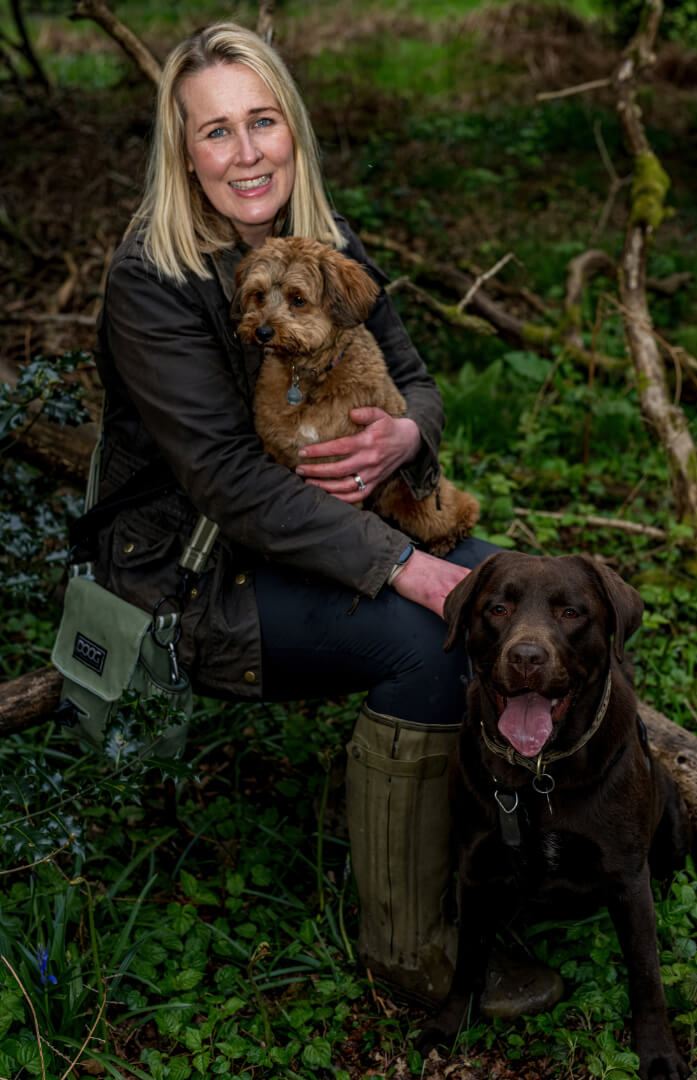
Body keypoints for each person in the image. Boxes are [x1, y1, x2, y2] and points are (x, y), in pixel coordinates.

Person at [91, 21, 560, 1011]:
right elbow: (229, 481)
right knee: (432, 639)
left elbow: (418, 381)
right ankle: (415, 955)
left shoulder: (326, 243)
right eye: (216, 131)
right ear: (182, 150)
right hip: (198, 576)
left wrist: (404, 437)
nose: (247, 152)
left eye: (262, 121)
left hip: (323, 530)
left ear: (293, 130)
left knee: (516, 600)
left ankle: (515, 859)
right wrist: (407, 569)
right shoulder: (150, 281)